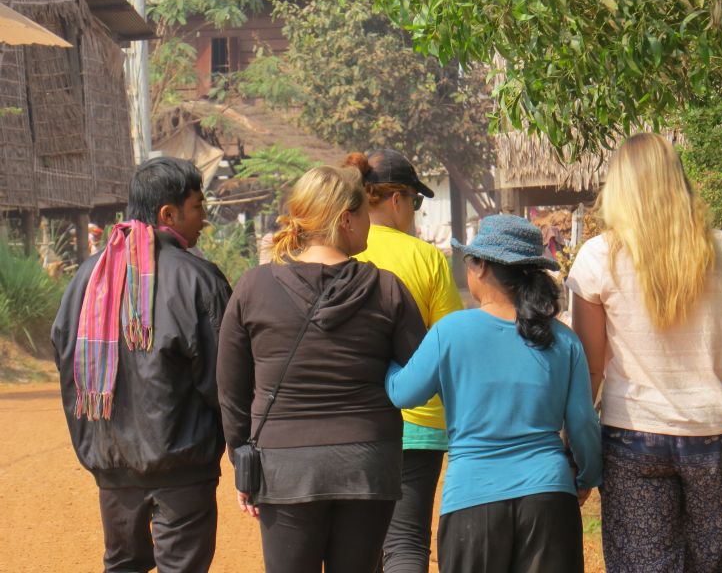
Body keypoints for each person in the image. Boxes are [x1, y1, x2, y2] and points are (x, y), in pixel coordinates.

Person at [565, 133, 722, 572]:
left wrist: (574, 447)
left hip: (634, 436)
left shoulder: (598, 257)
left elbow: (590, 370)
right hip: (721, 433)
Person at [216, 165, 427, 573]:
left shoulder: (253, 287)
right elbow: (418, 374)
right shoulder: (387, 289)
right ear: (346, 219)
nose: (370, 224)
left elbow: (230, 389)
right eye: (364, 213)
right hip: (368, 463)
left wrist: (243, 459)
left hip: (283, 466)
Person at [386, 214, 603, 573]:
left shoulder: (450, 332)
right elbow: (582, 423)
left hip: (472, 501)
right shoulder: (563, 340)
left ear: (482, 267)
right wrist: (587, 476)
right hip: (549, 497)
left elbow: (402, 393)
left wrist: (384, 358)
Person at [51, 157, 232, 573]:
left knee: (123, 566)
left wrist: (96, 442)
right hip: (183, 465)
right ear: (169, 213)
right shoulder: (198, 279)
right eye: (198, 207)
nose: (204, 219)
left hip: (113, 466)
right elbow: (223, 379)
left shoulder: (85, 279)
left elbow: (66, 364)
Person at [343, 149, 463, 573]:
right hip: (418, 423)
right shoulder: (426, 258)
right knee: (407, 541)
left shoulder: (337, 251)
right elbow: (449, 344)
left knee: (355, 548)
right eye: (416, 200)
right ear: (397, 199)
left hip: (348, 422)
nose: (415, 210)